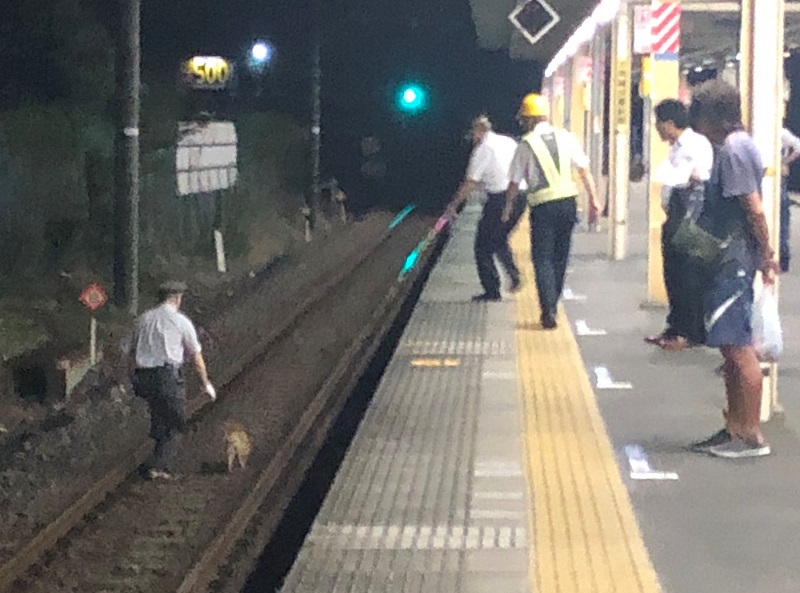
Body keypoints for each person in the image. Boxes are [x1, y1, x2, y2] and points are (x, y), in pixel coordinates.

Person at [687, 79, 779, 458]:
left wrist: (767, 252)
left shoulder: (734, 151)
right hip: (731, 259)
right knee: (729, 346)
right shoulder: (734, 147)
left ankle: (751, 434)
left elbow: (754, 208)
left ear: (714, 117)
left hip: (734, 261)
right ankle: (733, 426)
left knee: (740, 348)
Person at [501, 93, 601, 329]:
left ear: (528, 119)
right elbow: (584, 169)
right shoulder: (566, 137)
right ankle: (552, 305)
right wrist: (594, 199)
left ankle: (548, 310)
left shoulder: (526, 143)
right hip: (568, 202)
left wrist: (507, 208)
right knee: (560, 256)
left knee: (542, 258)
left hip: (543, 207)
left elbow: (514, 181)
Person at [121, 281, 216, 479]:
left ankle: (157, 458)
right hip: (167, 378)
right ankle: (157, 467)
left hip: (144, 378)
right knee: (176, 422)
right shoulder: (180, 322)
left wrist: (130, 378)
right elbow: (197, 356)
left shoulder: (142, 319)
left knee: (160, 414)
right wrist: (205, 383)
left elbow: (127, 351)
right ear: (177, 298)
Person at [645, 99, 714, 350]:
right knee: (672, 273)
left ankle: (690, 333)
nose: (656, 128)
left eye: (658, 123)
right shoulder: (676, 147)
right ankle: (674, 327)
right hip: (674, 214)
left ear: (670, 123)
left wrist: (686, 177)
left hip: (690, 217)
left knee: (688, 275)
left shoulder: (696, 144)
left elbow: (704, 176)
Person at [446, 115, 526, 302]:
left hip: (500, 199)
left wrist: (453, 206)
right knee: (498, 238)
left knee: (482, 246)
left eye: (473, 134)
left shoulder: (483, 149)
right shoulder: (507, 141)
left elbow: (470, 182)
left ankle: (492, 290)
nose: (472, 139)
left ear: (478, 131)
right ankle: (514, 275)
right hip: (520, 197)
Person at [779, 126, 800, 272]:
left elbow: (797, 146)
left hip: (779, 178)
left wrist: (784, 161)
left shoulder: (781, 132)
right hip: (777, 176)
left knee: (783, 214)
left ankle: (783, 254)